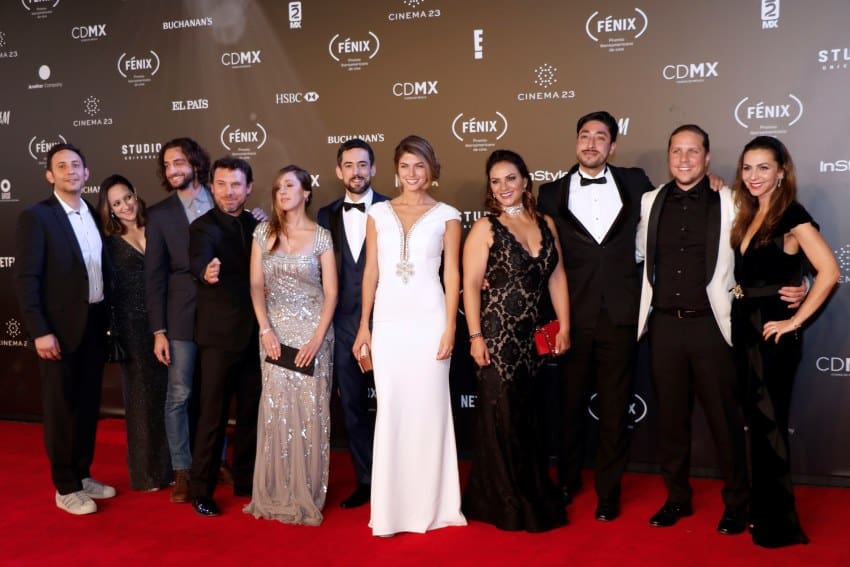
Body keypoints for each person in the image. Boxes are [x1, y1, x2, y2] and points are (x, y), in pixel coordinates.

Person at [636, 125, 803, 534]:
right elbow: (639, 253)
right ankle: (676, 498)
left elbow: (767, 251)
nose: (685, 159)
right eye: (677, 151)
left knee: (725, 421)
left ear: (708, 157)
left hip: (713, 327)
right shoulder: (649, 200)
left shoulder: (732, 199)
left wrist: (802, 286)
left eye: (694, 152)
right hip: (663, 326)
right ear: (668, 155)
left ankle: (737, 502)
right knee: (670, 422)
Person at [537, 111, 654, 521]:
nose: (590, 143)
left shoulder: (636, 183)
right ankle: (567, 480)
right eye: (584, 135)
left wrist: (714, 185)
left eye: (600, 137)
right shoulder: (550, 193)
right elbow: (534, 249)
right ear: (575, 142)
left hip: (620, 314)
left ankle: (609, 490)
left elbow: (672, 207)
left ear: (613, 146)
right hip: (570, 313)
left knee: (615, 407)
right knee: (568, 405)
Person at [353, 135, 467, 536]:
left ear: (432, 170)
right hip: (387, 323)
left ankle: (434, 506)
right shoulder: (378, 213)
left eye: (420, 166)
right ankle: (392, 511)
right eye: (405, 166)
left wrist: (452, 326)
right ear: (395, 170)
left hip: (430, 321)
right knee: (393, 410)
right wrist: (363, 325)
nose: (412, 174)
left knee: (430, 410)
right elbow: (371, 272)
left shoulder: (448, 215)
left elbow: (452, 274)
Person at [729, 136, 839, 547]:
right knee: (758, 426)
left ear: (781, 172)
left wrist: (795, 320)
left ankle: (778, 525)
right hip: (745, 328)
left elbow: (828, 271)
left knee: (770, 427)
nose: (754, 176)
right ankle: (764, 510)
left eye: (763, 168)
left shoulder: (791, 215)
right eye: (747, 168)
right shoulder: (750, 213)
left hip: (772, 335)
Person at [461, 149, 569, 532]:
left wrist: (565, 326)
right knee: (502, 417)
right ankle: (504, 499)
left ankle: (531, 487)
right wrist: (475, 336)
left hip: (534, 338)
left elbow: (556, 277)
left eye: (510, 178)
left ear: (525, 180)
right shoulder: (485, 228)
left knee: (527, 417)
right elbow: (470, 285)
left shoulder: (546, 223)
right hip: (497, 334)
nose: (503, 187)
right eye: (495, 181)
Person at [14, 143, 116, 515]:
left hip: (93, 326)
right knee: (60, 408)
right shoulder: (37, 217)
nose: (70, 171)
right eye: (61, 166)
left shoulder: (93, 213)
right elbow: (27, 279)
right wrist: (40, 330)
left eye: (76, 165)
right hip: (57, 330)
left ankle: (82, 473)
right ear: (49, 175)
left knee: (87, 406)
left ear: (86, 174)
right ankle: (65, 486)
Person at [243, 166, 337, 525]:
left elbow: (331, 293)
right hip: (275, 333)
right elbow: (255, 286)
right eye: (278, 186)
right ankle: (274, 490)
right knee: (277, 410)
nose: (282, 192)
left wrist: (316, 338)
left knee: (309, 413)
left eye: (290, 186)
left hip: (314, 335)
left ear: (306, 193)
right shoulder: (262, 232)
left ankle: (306, 491)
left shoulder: (322, 237)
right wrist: (265, 328)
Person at [317, 139, 389, 509]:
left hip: (389, 323)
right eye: (349, 165)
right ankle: (366, 480)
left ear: (373, 169)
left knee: (394, 406)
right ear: (338, 171)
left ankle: (397, 479)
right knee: (353, 409)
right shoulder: (324, 216)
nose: (356, 172)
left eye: (363, 165)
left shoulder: (393, 209)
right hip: (342, 325)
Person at [188, 157, 262, 517]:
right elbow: (200, 261)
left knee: (251, 414)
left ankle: (246, 482)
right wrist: (206, 271)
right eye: (221, 184)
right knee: (212, 416)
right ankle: (200, 489)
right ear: (211, 187)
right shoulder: (203, 228)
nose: (228, 192)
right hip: (218, 338)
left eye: (235, 185)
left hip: (256, 337)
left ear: (248, 188)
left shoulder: (257, 224)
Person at [145, 137, 214, 503]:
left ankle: (212, 463)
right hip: (180, 318)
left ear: (195, 164)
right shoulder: (159, 214)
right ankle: (183, 469)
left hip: (218, 314)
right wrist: (159, 331)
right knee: (180, 394)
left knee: (213, 393)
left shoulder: (222, 199)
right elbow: (153, 277)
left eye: (179, 163)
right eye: (168, 165)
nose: (173, 170)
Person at [96, 174, 171, 491]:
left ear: (136, 195)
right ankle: (148, 474)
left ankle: (179, 466)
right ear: (109, 210)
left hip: (168, 320)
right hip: (132, 326)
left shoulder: (159, 225)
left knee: (174, 396)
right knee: (143, 400)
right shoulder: (108, 243)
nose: (125, 206)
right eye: (116, 203)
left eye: (127, 197)